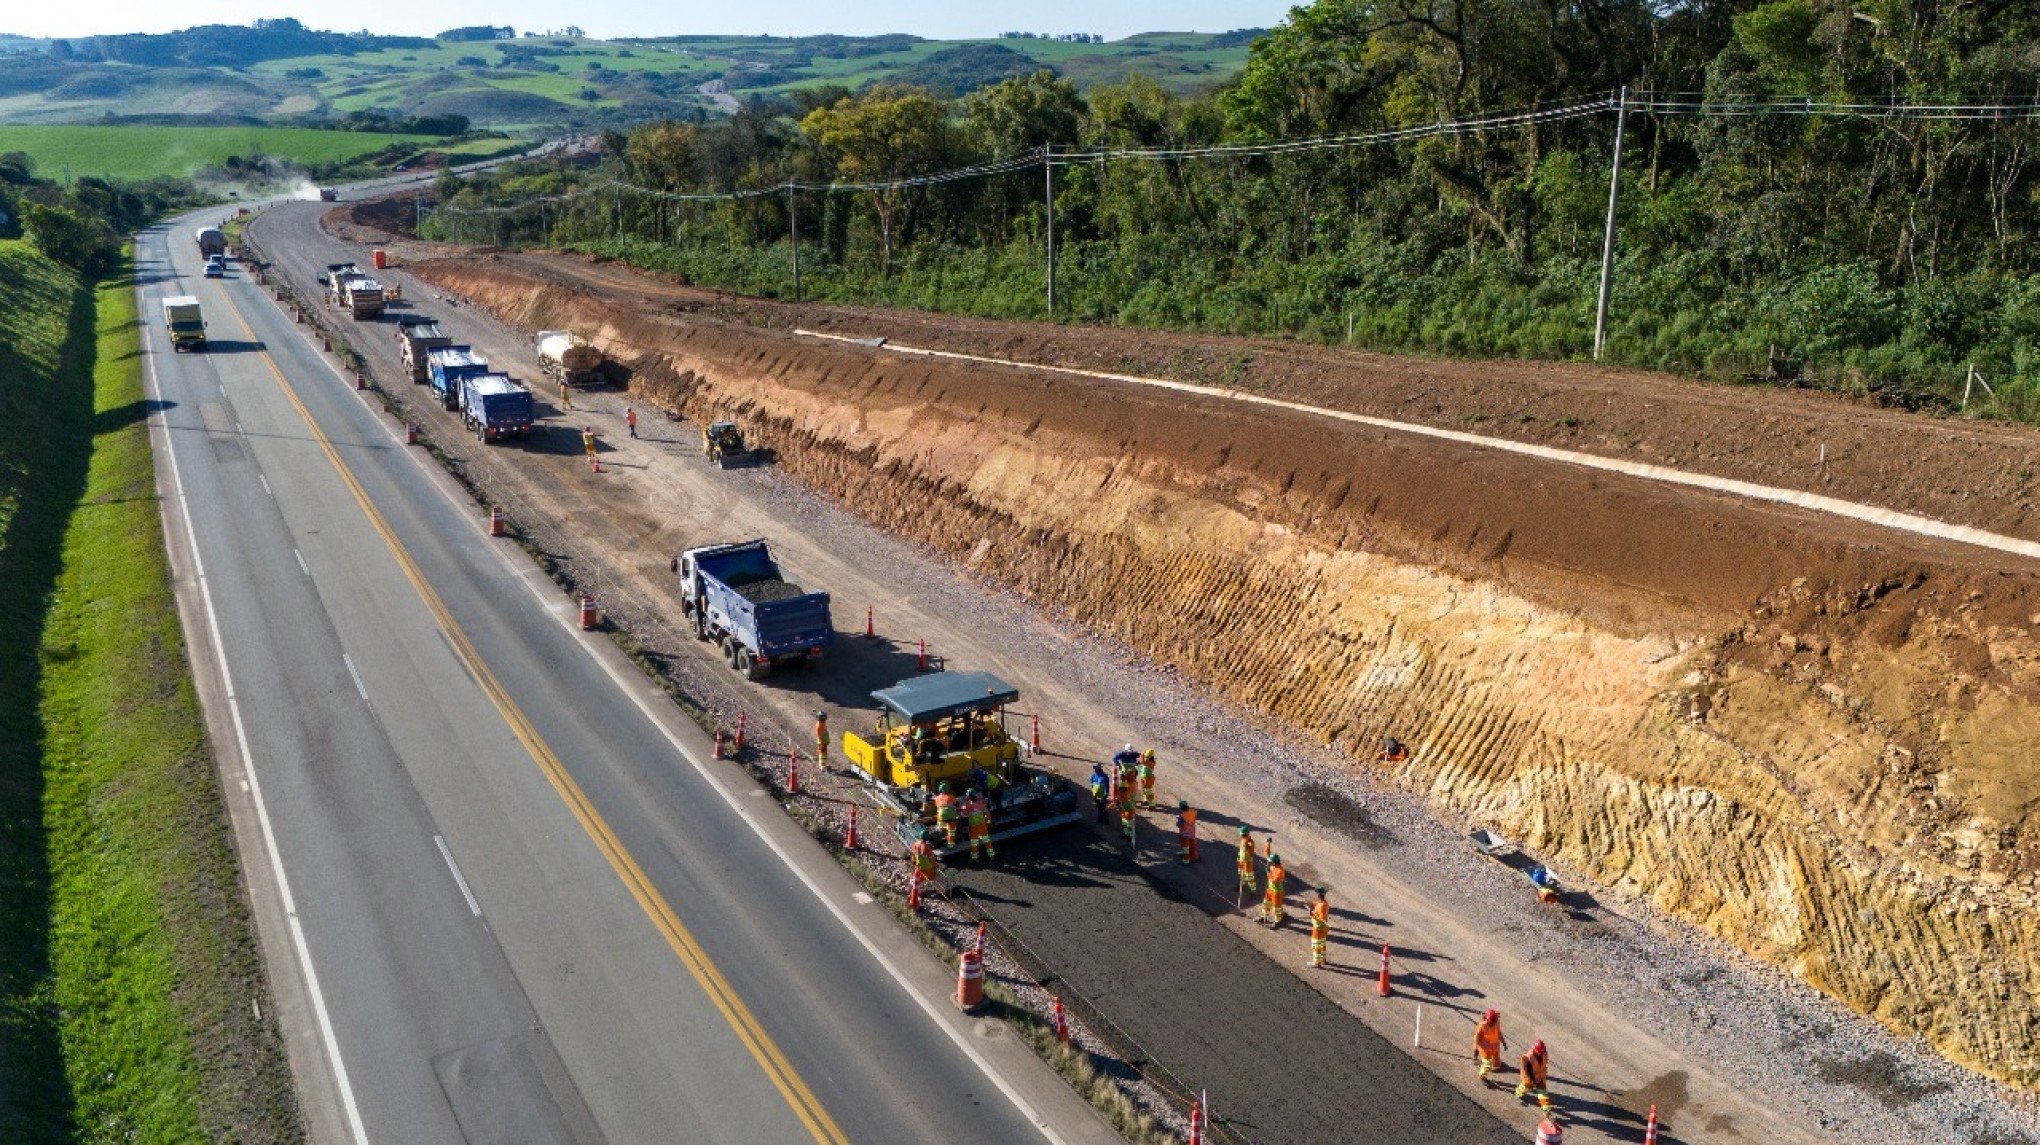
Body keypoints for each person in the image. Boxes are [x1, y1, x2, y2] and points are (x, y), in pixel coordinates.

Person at [1516, 1039, 1551, 1108]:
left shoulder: (1544, 1053)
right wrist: (1531, 1079)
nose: (1542, 1053)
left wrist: (1544, 1074)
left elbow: (1544, 1064)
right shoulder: (1527, 1058)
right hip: (1529, 1077)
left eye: (1542, 1052)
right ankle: (1518, 1094)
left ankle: (1546, 1111)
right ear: (1535, 1050)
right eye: (1540, 1052)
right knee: (1526, 1086)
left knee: (1543, 1093)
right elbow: (1526, 1071)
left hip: (1540, 1076)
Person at [1474, 1009, 1508, 1081]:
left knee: (1496, 1060)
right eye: (1492, 1020)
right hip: (1485, 1048)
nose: (1494, 1022)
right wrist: (1476, 1049)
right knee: (1487, 1065)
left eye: (1495, 1020)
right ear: (1487, 1018)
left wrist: (1504, 1042)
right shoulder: (1482, 1026)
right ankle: (1482, 1076)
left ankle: (1495, 1066)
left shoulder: (1496, 1022)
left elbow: (1499, 1033)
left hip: (1495, 1045)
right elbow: (1477, 1038)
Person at [966, 792, 995, 861]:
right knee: (987, 841)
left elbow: (963, 812)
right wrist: (988, 822)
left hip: (974, 828)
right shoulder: (981, 804)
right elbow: (987, 813)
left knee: (974, 843)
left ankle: (975, 858)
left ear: (969, 798)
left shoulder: (968, 806)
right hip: (982, 826)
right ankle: (992, 855)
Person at [1261, 853, 1287, 926]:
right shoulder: (1273, 867)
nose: (1270, 863)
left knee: (1276, 908)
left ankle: (1277, 921)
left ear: (1274, 862)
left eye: (1271, 861)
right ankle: (1263, 916)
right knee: (1266, 903)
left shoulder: (1280, 871)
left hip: (1277, 892)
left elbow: (1274, 880)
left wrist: (1268, 873)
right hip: (1270, 889)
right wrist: (1268, 870)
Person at [932, 782, 960, 847]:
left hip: (942, 818)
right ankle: (950, 845)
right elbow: (957, 804)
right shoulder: (951, 797)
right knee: (951, 831)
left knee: (939, 811)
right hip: (951, 817)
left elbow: (938, 806)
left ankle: (942, 830)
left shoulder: (937, 798)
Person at [1308, 887, 1330, 968]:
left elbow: (1318, 917)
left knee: (1316, 946)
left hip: (1318, 929)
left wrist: (1311, 911)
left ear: (1319, 895)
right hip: (1323, 929)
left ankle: (1316, 962)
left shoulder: (1320, 906)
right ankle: (1323, 959)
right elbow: (1317, 905)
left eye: (1317, 894)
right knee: (1322, 944)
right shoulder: (1325, 903)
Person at [1236, 827, 1258, 900]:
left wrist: (1248, 847)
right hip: (1241, 861)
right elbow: (1241, 850)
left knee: (1249, 877)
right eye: (1242, 835)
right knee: (1242, 874)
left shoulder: (1250, 842)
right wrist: (1239, 858)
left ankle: (1253, 890)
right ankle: (1242, 885)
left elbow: (1251, 852)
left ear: (1247, 834)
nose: (1242, 836)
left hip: (1247, 863)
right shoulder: (1242, 840)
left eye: (1244, 835)